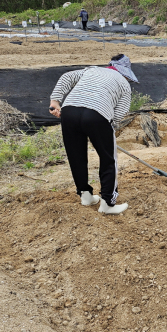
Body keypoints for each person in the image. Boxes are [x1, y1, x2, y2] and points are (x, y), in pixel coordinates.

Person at [49, 55, 138, 214]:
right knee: (108, 159)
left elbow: (66, 77)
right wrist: (101, 129)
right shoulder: (124, 83)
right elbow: (119, 113)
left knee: (76, 155)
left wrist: (55, 101)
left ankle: (86, 196)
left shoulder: (91, 70)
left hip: (69, 111)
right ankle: (107, 204)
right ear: (126, 72)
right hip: (97, 115)